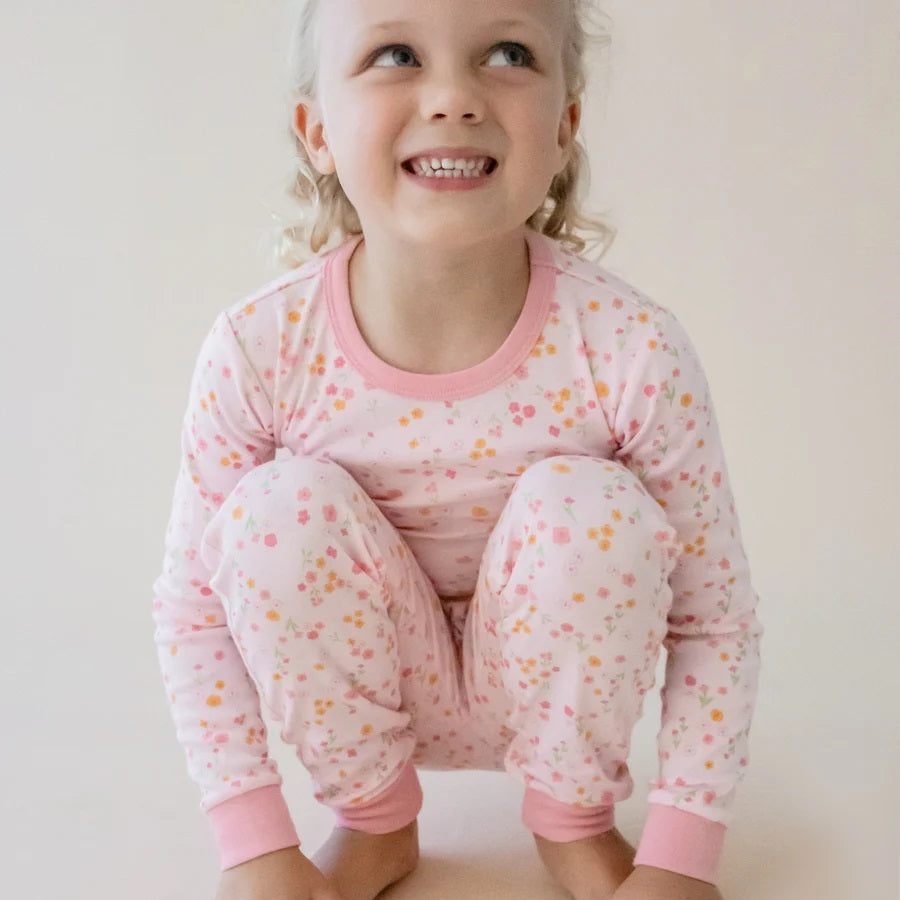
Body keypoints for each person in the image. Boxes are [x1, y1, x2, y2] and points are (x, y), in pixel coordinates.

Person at [151, 1, 764, 898]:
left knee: (587, 509)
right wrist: (255, 847)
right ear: (316, 132)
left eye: (507, 53)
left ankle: (571, 823)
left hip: (554, 696)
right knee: (273, 514)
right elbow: (194, 611)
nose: (453, 97)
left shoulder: (631, 347)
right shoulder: (260, 346)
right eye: (395, 53)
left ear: (565, 125)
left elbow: (714, 617)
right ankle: (375, 823)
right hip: (370, 695)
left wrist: (681, 857)